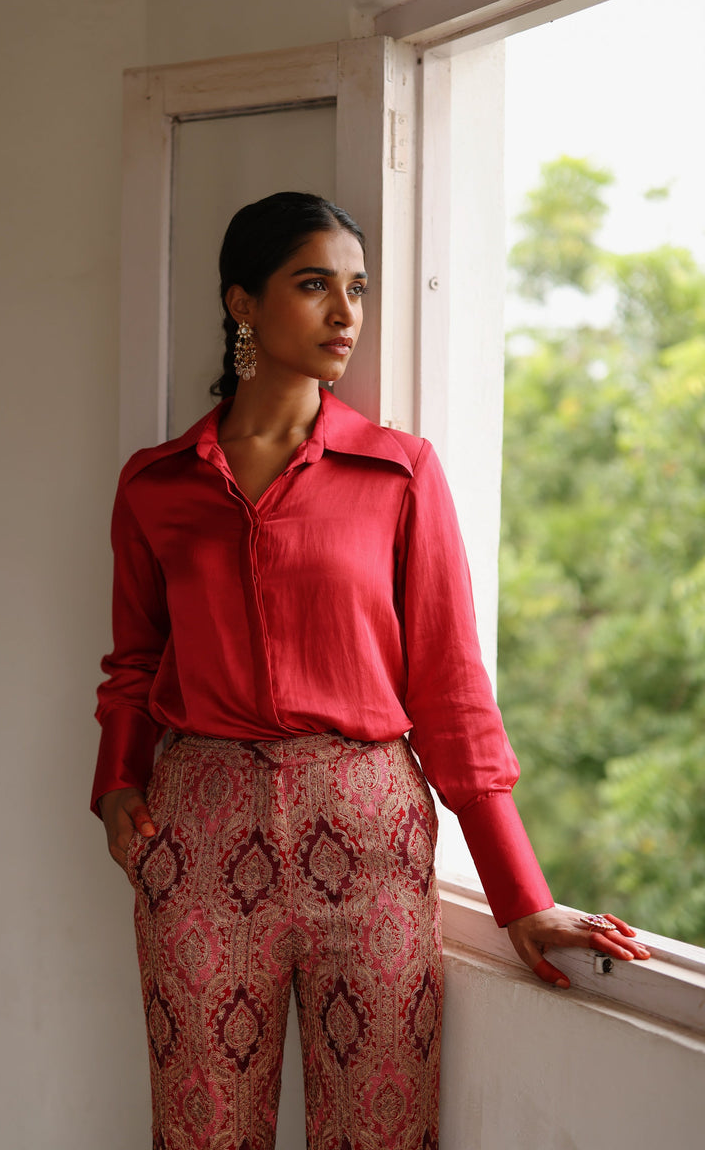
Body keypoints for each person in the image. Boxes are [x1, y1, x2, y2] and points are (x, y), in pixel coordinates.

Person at [93, 192, 649, 1150]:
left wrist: (520, 891)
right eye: (314, 286)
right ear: (243, 304)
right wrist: (117, 789)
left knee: (379, 1135)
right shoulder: (156, 485)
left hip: (369, 835)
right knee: (200, 1134)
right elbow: (136, 659)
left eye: (356, 288)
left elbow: (453, 689)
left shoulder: (399, 474)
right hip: (199, 824)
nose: (346, 313)